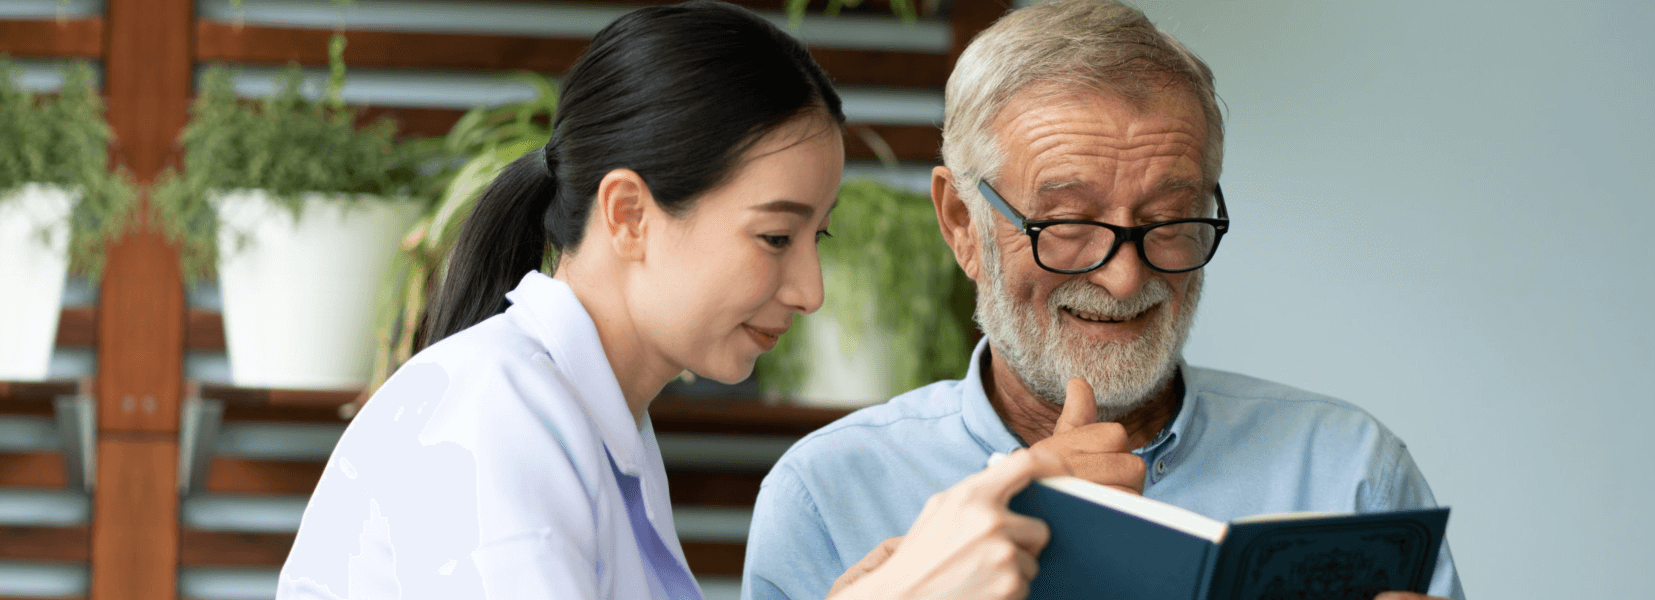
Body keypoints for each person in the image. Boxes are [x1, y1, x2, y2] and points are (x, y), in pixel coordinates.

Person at [275, 3, 1069, 599]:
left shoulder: (598, 421)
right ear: (628, 215)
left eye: (815, 239)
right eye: (773, 237)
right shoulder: (497, 410)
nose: (810, 292)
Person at [741, 1, 1464, 599]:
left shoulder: (1350, 471)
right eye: (1069, 225)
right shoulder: (827, 495)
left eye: (1169, 220)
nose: (1124, 279)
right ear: (963, 224)